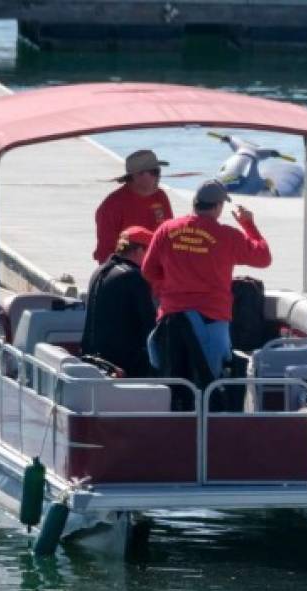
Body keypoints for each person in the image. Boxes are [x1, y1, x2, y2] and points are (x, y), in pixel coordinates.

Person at [142, 179, 272, 406]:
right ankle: (210, 432)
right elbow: (263, 257)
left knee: (172, 384)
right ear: (218, 206)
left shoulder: (166, 230)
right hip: (212, 323)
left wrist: (171, 288)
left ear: (195, 202)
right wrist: (248, 225)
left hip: (170, 319)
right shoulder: (227, 236)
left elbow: (148, 270)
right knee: (210, 387)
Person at [81, 226, 157, 377]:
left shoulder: (100, 271)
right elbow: (150, 325)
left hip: (96, 360)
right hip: (124, 366)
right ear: (140, 251)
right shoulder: (133, 277)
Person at [94, 149, 174, 264]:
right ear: (136, 176)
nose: (159, 176)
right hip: (127, 270)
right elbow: (105, 252)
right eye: (155, 172)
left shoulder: (161, 196)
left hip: (157, 268)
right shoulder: (112, 206)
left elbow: (169, 237)